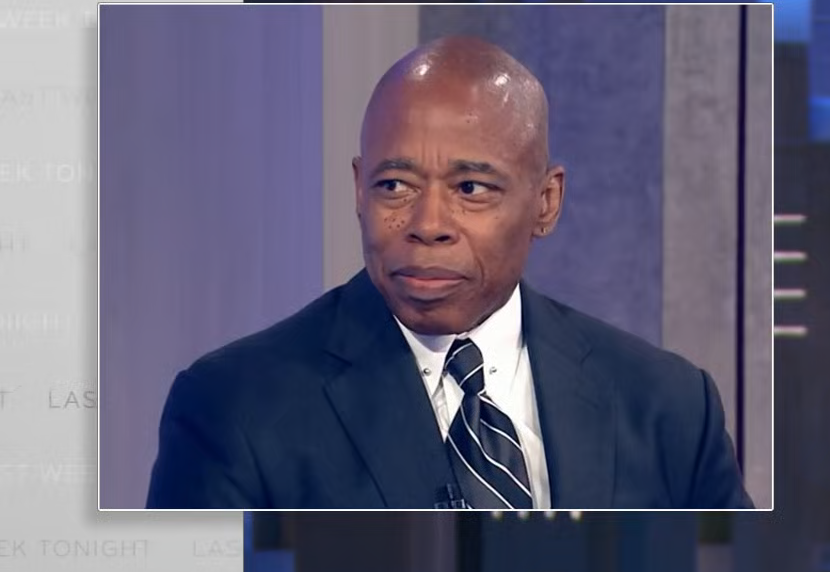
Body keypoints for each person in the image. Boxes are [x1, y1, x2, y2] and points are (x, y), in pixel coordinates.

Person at [145, 35, 752, 511]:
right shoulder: (234, 408)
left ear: (546, 202)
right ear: (358, 189)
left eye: (470, 188)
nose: (427, 224)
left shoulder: (669, 407)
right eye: (394, 185)